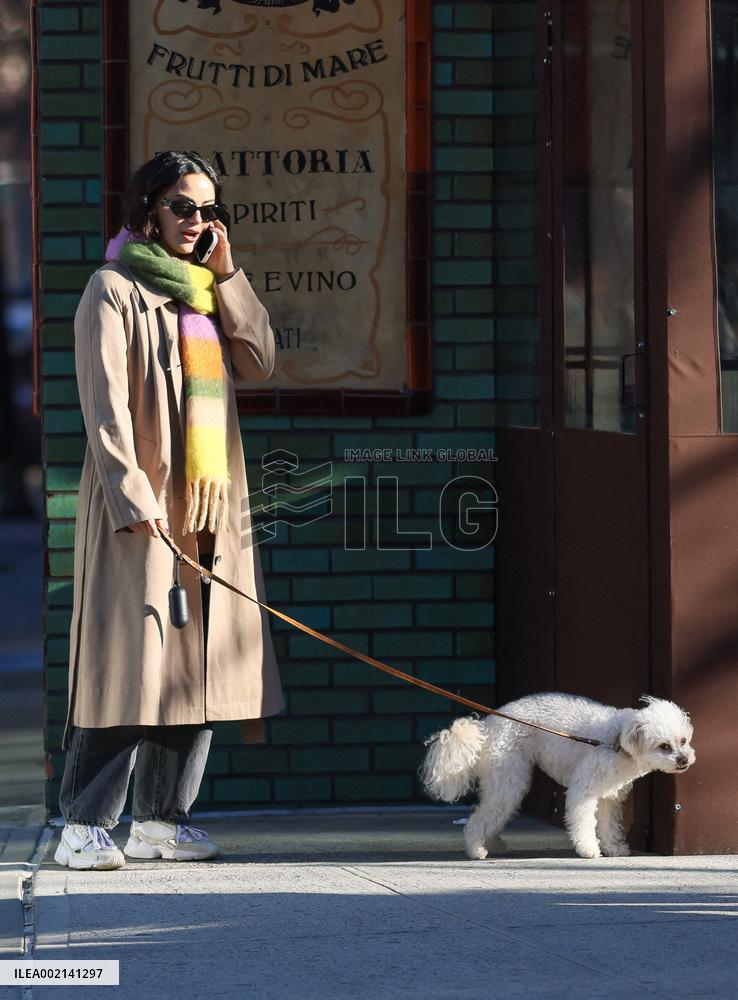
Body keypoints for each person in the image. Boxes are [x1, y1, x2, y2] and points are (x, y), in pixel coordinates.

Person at [55, 151, 284, 870]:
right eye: (183, 206)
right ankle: (83, 825)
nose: (197, 221)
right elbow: (105, 411)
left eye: (209, 210)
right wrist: (133, 499)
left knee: (197, 664)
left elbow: (261, 362)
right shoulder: (112, 290)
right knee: (129, 664)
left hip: (208, 506)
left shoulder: (205, 292)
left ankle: (161, 820)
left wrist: (229, 275)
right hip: (142, 508)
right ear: (148, 209)